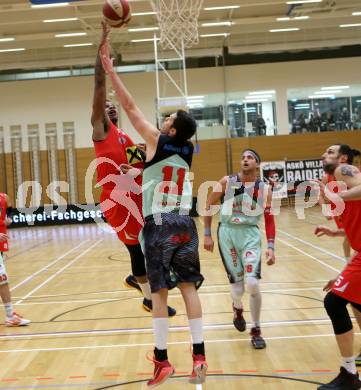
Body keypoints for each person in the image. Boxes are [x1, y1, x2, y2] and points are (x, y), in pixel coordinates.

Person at [99, 25, 207, 387]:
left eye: (169, 120)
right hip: (185, 222)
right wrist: (142, 169)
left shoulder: (156, 139)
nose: (163, 120)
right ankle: (199, 354)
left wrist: (110, 70)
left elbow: (128, 106)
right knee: (190, 289)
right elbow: (163, 168)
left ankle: (162, 361)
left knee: (159, 294)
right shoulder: (189, 150)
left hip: (158, 224)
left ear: (172, 131)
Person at [91, 28, 175, 317]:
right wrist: (101, 62)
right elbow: (99, 92)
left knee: (150, 245)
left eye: (113, 106)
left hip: (139, 200)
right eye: (105, 106)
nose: (110, 107)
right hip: (119, 204)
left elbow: (140, 167)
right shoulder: (101, 132)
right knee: (138, 251)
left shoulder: (126, 137)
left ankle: (143, 281)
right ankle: (149, 297)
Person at [204, 149, 276, 349]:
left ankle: (256, 329)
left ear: (257, 164)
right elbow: (209, 204)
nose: (245, 159)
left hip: (250, 234)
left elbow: (270, 219)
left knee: (252, 283)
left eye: (250, 157)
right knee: (237, 288)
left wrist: (271, 245)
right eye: (243, 157)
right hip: (227, 234)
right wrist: (207, 234)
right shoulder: (227, 181)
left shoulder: (264, 188)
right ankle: (237, 307)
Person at [314, 144, 361, 389]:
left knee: (334, 301)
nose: (324, 155)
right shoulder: (335, 179)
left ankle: (349, 374)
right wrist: (335, 232)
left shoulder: (345, 169)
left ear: (342, 157)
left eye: (329, 152)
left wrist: (335, 196)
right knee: (354, 300)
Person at [0, 193, 30, 326]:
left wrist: (9, 218)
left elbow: (10, 210)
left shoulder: (4, 197)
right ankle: (10, 315)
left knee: (2, 280)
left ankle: (10, 314)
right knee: (3, 280)